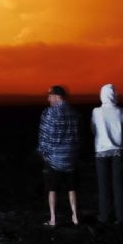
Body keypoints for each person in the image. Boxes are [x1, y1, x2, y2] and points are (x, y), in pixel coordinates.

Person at [38, 85, 81, 226]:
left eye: (50, 96)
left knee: (52, 189)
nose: (48, 98)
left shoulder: (48, 113)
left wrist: (44, 154)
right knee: (72, 188)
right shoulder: (74, 113)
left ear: (57, 96)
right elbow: (77, 136)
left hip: (54, 159)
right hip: (71, 158)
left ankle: (53, 219)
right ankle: (75, 216)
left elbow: (44, 137)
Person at [91, 83, 123, 224]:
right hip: (118, 151)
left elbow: (93, 129)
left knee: (103, 186)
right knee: (118, 185)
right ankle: (121, 217)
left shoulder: (96, 112)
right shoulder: (121, 111)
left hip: (101, 152)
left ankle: (105, 216)